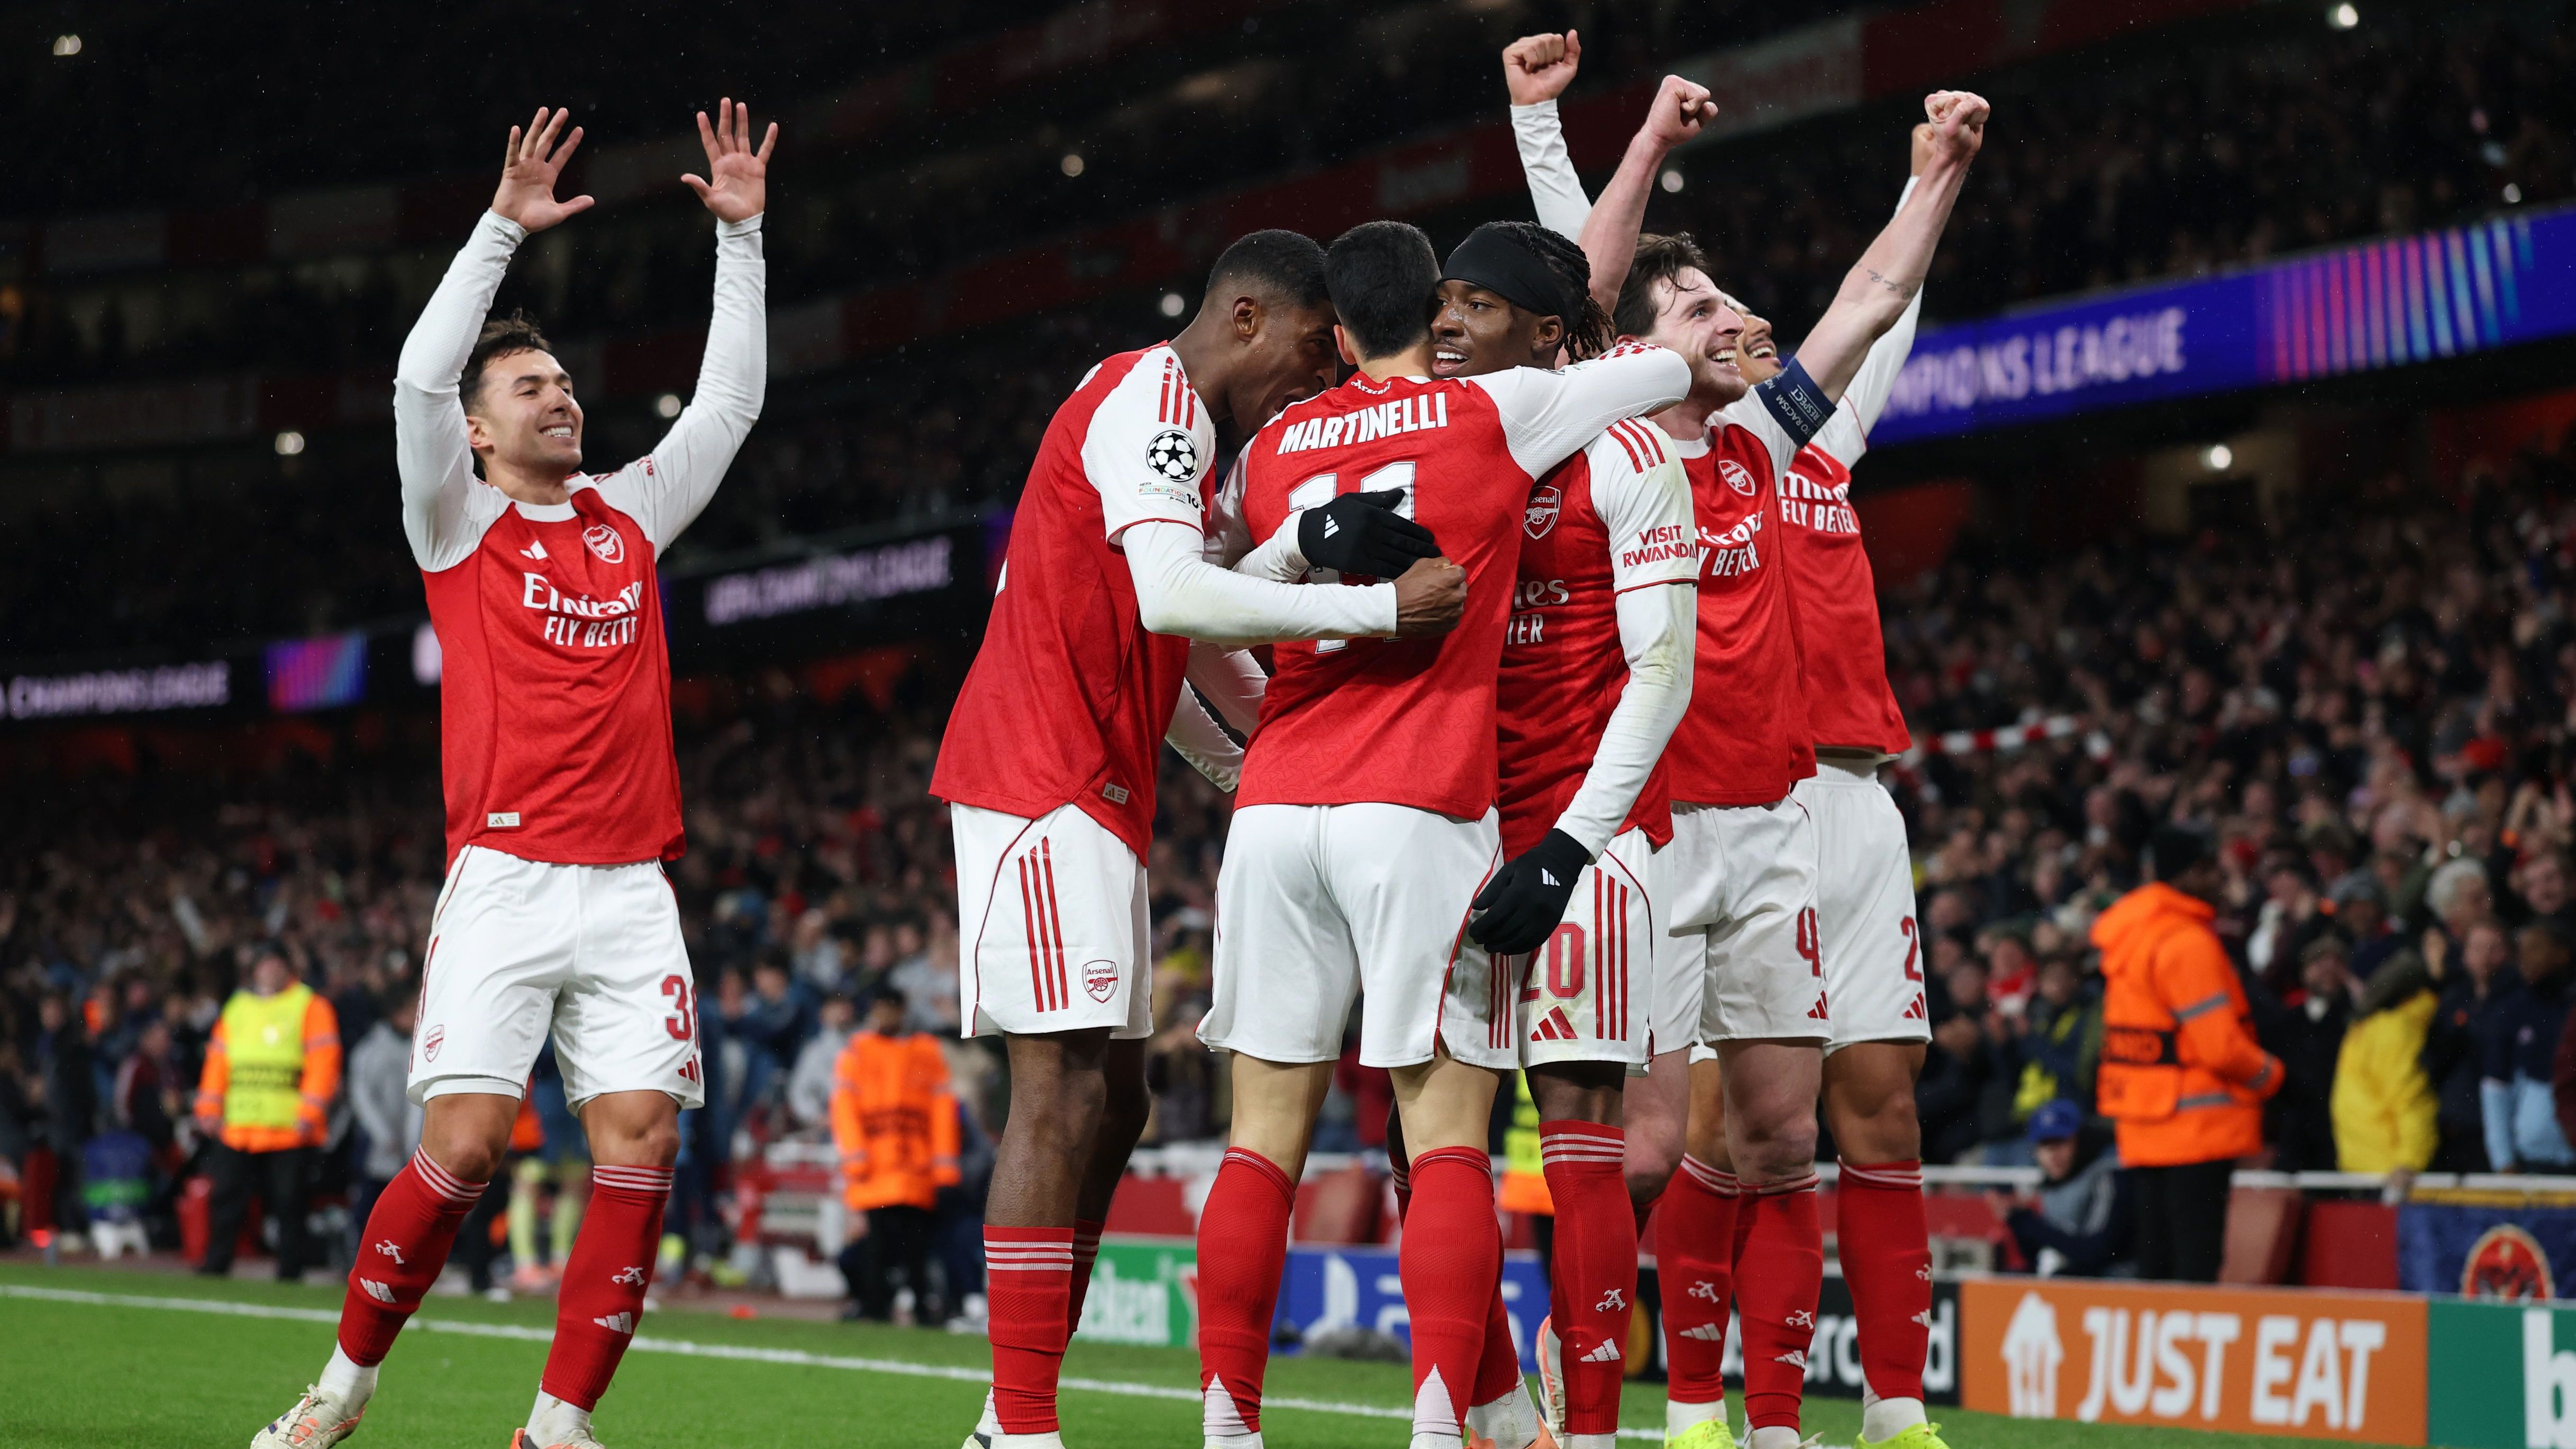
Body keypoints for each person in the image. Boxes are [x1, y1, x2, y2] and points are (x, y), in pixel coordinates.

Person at [250, 100, 773, 1449]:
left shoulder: (631, 514)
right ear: (479, 436)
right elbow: (419, 380)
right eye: (530, 390)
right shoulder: (459, 523)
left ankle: (554, 1426)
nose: (562, 397)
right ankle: (344, 1387)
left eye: (564, 383)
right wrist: (496, 230)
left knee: (641, 1140)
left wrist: (742, 239)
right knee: (471, 1145)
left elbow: (730, 402)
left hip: (629, 885)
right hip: (506, 877)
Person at [1514, 61, 1990, 1449]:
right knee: (1650, 1147)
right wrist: (1630, 142)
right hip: (1648, 834)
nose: (1734, 318)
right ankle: (1578, 1381)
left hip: (1777, 827)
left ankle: (1774, 1427)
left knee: (1783, 1139)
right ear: (1637, 344)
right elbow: (1583, 275)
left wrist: (1933, 171)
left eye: (1726, 300)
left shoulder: (1766, 444)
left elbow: (1867, 305)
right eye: (1702, 305)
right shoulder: (1602, 451)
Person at [930, 225, 1470, 1449]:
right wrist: (1370, 608)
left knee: (1113, 1102)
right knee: (1057, 1089)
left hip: (1094, 788)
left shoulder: (1153, 416)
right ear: (1242, 318)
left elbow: (1167, 646)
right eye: (1302, 348)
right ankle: (1018, 1429)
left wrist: (1262, 765)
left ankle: (1001, 1416)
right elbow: (1174, 599)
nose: (1317, 377)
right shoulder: (1155, 401)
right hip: (1039, 777)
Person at [1191, 218, 1689, 1449]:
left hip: (1274, 806)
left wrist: (1258, 731)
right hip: (1417, 803)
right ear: (1435, 307)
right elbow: (1668, 372)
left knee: (1260, 1140)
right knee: (1447, 1134)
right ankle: (1435, 1426)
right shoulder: (1495, 416)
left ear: (1332, 327)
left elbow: (1201, 615)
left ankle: (1226, 1428)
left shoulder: (1269, 447)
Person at [1379, 203, 1698, 1449]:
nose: (1444, 321)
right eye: (1440, 300)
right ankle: (1497, 1406)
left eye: (1474, 303)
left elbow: (1660, 674)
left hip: (1584, 841)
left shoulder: (1626, 458)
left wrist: (1569, 845)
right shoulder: (1444, 448)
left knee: (1583, 1144)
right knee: (1427, 1149)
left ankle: (1596, 1434)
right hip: (1446, 832)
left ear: (1552, 334)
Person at [2091, 825, 2283, 1282]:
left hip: (2143, 1127)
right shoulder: (2187, 942)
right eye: (2211, 869)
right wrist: (2273, 1078)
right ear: (2191, 873)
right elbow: (2220, 1048)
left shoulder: (2132, 936)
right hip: (2195, 1132)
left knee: (2157, 1270)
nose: (2219, 879)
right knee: (2195, 1269)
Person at [194, 943, 342, 1281]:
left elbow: (324, 1064)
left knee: (290, 1204)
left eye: (276, 964)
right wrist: (208, 1107)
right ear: (256, 970)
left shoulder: (310, 1006)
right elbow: (218, 1062)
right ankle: (216, 1264)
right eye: (265, 964)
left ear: (287, 968)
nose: (270, 971)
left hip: (288, 1126)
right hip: (240, 1124)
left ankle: (290, 1271)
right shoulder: (238, 1008)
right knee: (226, 1199)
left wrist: (311, 1112)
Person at [831, 988, 962, 1324]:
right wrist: (856, 1156)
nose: (885, 1016)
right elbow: (845, 1109)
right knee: (877, 1246)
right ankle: (877, 1307)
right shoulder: (859, 1052)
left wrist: (944, 1165)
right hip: (876, 1167)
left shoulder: (926, 1052)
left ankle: (917, 1308)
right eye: (880, 1008)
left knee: (916, 1249)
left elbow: (942, 1111)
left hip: (915, 1167)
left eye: (890, 1008)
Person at [1992, 1099, 2133, 1278]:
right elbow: (2039, 1253)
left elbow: (2096, 1251)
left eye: (2061, 1142)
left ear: (2078, 1140)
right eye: (2045, 1144)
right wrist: (2016, 1218)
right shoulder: (2048, 1182)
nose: (2053, 1154)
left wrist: (2028, 1223)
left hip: (2116, 1282)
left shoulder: (2108, 1176)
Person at [2333, 949, 2439, 1177]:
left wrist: (2410, 1161)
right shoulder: (2366, 1026)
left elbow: (2410, 1098)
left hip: (2391, 1172)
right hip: (2364, 1165)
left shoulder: (2394, 1031)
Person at [2484, 919, 2576, 1173]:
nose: (2525, 958)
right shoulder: (2511, 1011)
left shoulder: (2572, 1008)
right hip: (2535, 1160)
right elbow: (2496, 1089)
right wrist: (2503, 1160)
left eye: (2536, 948)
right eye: (2521, 950)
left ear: (2562, 954)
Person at [2423, 919, 2510, 1171]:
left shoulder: (2519, 1000)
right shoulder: (2452, 999)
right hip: (2454, 1123)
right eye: (2477, 948)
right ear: (2465, 955)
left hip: (2499, 1128)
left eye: (2494, 948)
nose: (2485, 957)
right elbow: (2432, 1058)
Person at [2268, 935, 2356, 1172]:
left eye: (2337, 965)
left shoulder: (2355, 1022)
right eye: (2319, 964)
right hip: (2292, 1134)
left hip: (2340, 1132)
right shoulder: (2286, 1021)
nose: (2328, 972)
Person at [344, 989, 423, 1252]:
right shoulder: (371, 1049)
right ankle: (358, 1254)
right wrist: (382, 1134)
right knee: (370, 1201)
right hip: (376, 1144)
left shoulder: (420, 1047)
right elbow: (361, 1096)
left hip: (408, 1145)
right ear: (396, 1014)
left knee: (404, 1208)